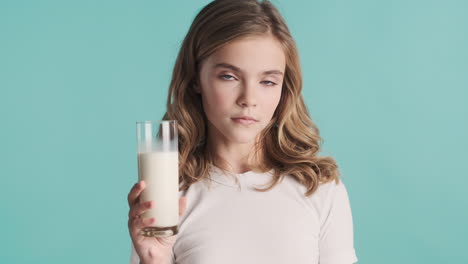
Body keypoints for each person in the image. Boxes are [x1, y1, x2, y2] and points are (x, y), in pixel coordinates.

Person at [127, 0, 358, 263]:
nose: (249, 98)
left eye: (267, 81)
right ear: (195, 80)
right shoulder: (169, 195)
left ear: (284, 89)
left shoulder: (319, 188)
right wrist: (153, 259)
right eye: (229, 76)